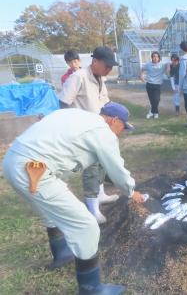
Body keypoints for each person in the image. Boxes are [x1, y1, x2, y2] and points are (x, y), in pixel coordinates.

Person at [2, 102, 145, 294]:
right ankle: (91, 289)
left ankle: (62, 254)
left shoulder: (77, 116)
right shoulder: (102, 132)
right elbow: (116, 168)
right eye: (123, 127)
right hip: (33, 170)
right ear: (114, 120)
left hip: (14, 162)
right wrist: (131, 191)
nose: (122, 132)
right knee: (86, 225)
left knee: (49, 212)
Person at [58, 46, 120, 224]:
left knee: (101, 163)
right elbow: (63, 103)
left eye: (111, 66)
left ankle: (100, 195)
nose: (109, 69)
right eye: (106, 65)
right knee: (91, 167)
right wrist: (73, 126)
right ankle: (92, 208)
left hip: (98, 128)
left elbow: (105, 101)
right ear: (95, 61)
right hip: (83, 131)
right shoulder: (78, 77)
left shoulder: (100, 78)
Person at [140, 51, 168, 119]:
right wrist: (141, 76)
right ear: (152, 58)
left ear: (159, 58)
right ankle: (155, 113)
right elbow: (142, 69)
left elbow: (169, 64)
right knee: (152, 100)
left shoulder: (162, 65)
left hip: (157, 84)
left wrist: (169, 67)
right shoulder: (148, 64)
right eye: (154, 57)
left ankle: (151, 112)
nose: (155, 58)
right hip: (149, 84)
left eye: (156, 56)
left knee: (157, 99)